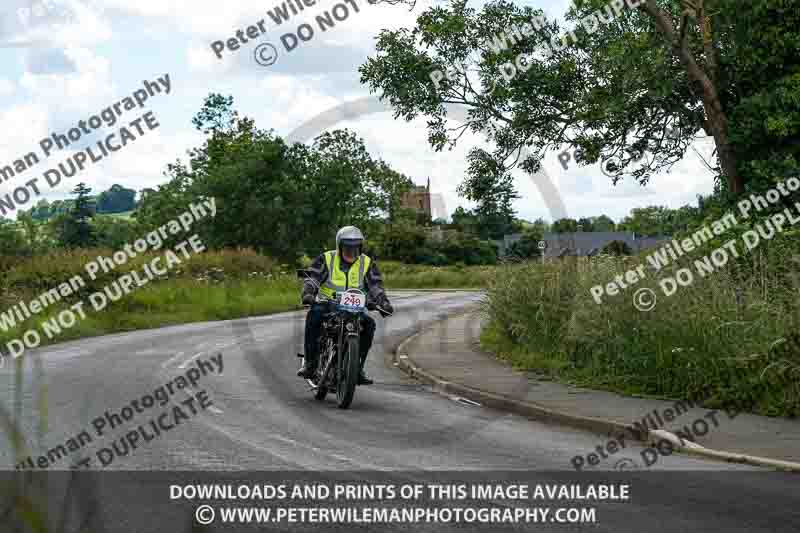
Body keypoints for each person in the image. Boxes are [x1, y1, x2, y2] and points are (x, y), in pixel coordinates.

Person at [299, 226, 393, 385]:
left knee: (369, 325)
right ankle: (310, 363)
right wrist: (308, 293)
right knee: (314, 315)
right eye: (348, 247)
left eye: (356, 247)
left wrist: (383, 302)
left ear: (360, 247)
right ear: (339, 246)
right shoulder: (327, 259)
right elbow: (313, 278)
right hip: (328, 305)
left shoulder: (367, 263)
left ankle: (357, 368)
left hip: (355, 309)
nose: (352, 251)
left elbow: (375, 286)